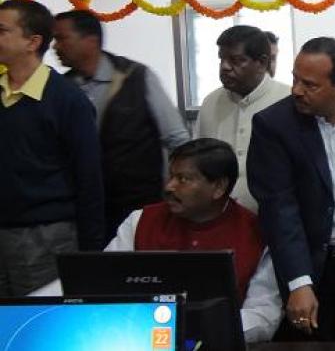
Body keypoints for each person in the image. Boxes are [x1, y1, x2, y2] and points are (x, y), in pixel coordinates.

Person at [32, 138, 282, 343]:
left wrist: (192, 327)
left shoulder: (257, 233)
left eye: (183, 179)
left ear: (218, 187)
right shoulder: (142, 220)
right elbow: (95, 280)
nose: (170, 187)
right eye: (171, 176)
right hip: (133, 338)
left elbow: (263, 315)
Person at [247, 37, 335, 341]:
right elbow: (278, 208)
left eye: (309, 85)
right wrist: (299, 283)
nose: (296, 90)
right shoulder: (274, 125)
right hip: (309, 266)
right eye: (295, 79)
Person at [53, 9, 189, 240]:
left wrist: (175, 190)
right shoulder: (61, 87)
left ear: (90, 40)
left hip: (138, 204)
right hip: (86, 207)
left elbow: (176, 138)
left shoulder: (136, 77)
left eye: (62, 38)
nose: (55, 46)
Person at [0, 0, 104, 296]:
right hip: (3, 230)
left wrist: (91, 250)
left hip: (45, 234)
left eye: (2, 30)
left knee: (39, 323)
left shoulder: (66, 99)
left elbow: (89, 178)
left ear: (32, 42)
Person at [196, 25, 290, 212]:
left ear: (262, 63)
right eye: (222, 59)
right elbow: (200, 161)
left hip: (276, 219)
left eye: (236, 60)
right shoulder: (211, 102)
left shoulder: (288, 101)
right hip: (220, 218)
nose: (225, 67)